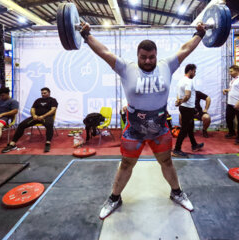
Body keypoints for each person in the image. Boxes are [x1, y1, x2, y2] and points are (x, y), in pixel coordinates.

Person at [79, 21, 207, 219]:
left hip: (160, 129)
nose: (148, 61)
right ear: (137, 56)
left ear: (156, 55)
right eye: (143, 57)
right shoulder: (126, 68)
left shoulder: (167, 65)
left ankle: (176, 192)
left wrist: (199, 34)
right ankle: (114, 198)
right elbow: (104, 52)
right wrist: (87, 36)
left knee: (167, 161)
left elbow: (185, 49)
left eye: (151, 57)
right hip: (134, 130)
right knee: (126, 164)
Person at [1, 87, 58, 153]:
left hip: (46, 117)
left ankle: (48, 143)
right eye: (42, 93)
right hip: (36, 117)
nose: (43, 94)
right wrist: (34, 115)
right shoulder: (38, 100)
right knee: (21, 125)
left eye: (45, 93)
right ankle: (12, 144)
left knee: (49, 124)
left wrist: (43, 116)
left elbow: (53, 110)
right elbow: (32, 109)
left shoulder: (53, 100)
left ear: (49, 93)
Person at [173, 64, 204, 157]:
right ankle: (176, 149)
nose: (195, 73)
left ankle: (194, 145)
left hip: (185, 107)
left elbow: (179, 95)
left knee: (190, 127)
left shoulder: (180, 81)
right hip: (187, 108)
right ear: (190, 71)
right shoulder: (189, 81)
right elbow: (187, 95)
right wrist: (181, 102)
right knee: (184, 129)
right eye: (194, 71)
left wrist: (179, 102)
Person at [222, 65, 239, 145]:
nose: (230, 73)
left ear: (237, 70)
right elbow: (233, 89)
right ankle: (232, 132)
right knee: (228, 118)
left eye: (231, 71)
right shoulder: (234, 79)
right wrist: (226, 90)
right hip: (230, 103)